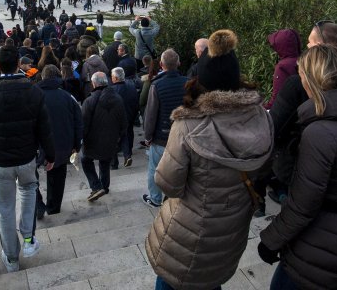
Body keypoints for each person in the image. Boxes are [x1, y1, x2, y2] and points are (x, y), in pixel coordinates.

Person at [259, 44, 337, 290]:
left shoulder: (320, 132)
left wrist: (270, 241)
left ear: (313, 79)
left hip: (320, 250)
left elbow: (303, 204)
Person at [146, 69, 273, 290]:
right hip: (232, 227)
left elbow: (169, 184)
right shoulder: (261, 117)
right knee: (211, 277)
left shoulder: (187, 124)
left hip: (191, 227)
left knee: (171, 276)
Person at [0, 45, 56, 273]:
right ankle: (28, 239)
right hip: (26, 158)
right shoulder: (33, 91)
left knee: (5, 208)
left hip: (0, 162)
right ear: (18, 63)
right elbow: (45, 127)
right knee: (29, 190)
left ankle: (11, 257)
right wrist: (50, 154)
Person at [268, 21, 337, 204]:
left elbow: (275, 126)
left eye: (310, 42)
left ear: (319, 47)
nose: (306, 46)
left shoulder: (298, 84)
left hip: (304, 171)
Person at [141, 49, 188, 208]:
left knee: (155, 169)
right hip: (184, 136)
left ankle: (155, 199)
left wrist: (148, 137)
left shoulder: (156, 85)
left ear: (161, 64)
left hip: (162, 137)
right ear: (179, 63)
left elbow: (151, 115)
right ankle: (177, 198)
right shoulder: (188, 83)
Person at [37, 65, 83, 216]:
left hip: (38, 146)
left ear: (43, 77)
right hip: (62, 145)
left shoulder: (34, 95)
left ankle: (37, 204)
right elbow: (78, 122)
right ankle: (53, 207)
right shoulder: (68, 97)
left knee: (30, 176)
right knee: (57, 177)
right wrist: (76, 145)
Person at [80, 72, 127, 202]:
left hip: (92, 141)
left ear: (94, 84)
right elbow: (124, 122)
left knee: (85, 160)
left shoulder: (89, 101)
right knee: (105, 162)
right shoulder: (117, 98)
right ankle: (104, 187)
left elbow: (83, 124)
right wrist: (119, 138)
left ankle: (96, 186)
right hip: (111, 139)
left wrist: (80, 140)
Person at [265, 29, 301, 109]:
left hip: (287, 111)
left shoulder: (283, 66)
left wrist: (264, 108)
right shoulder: (303, 60)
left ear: (280, 45)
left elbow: (277, 98)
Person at [110, 67, 138, 169]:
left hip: (116, 118)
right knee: (127, 134)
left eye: (112, 76)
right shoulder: (131, 86)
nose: (111, 78)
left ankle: (114, 163)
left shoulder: (112, 90)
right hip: (130, 115)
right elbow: (136, 101)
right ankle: (128, 154)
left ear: (116, 78)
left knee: (113, 138)